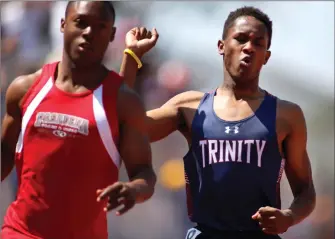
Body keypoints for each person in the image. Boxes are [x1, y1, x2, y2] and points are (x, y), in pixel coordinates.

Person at [121, 6, 316, 239]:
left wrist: (289, 217)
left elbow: (305, 192)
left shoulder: (285, 115)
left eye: (258, 43)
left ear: (266, 55)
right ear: (221, 46)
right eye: (240, 39)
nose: (248, 48)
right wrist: (131, 58)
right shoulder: (190, 107)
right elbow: (129, 127)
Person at [1, 1, 159, 239]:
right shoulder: (25, 89)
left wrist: (133, 190)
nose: (88, 33)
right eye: (81, 23)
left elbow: (144, 172)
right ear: (63, 25)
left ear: (112, 34)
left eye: (100, 26)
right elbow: (4, 155)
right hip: (20, 232)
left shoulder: (124, 103)